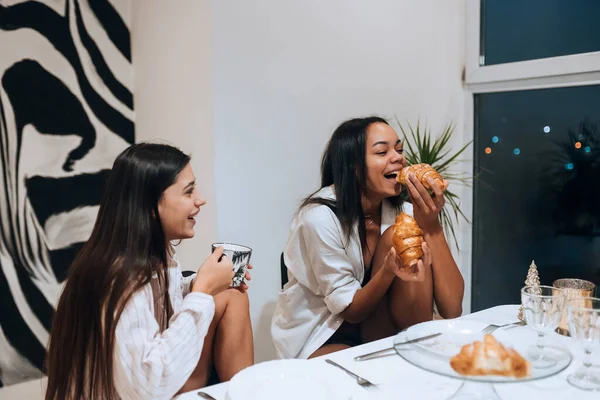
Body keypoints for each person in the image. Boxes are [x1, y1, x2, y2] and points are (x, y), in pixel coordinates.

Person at [44, 143, 254, 400]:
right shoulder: (120, 276)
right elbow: (147, 387)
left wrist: (205, 283)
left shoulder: (152, 257)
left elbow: (161, 304)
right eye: (188, 192)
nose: (201, 199)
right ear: (152, 206)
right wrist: (202, 292)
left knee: (231, 293)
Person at [271, 117, 464, 359]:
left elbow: (453, 308)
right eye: (382, 151)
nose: (398, 158)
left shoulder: (404, 213)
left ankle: (416, 358)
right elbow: (350, 311)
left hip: (382, 328)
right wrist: (388, 270)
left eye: (399, 149)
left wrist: (431, 224)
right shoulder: (319, 217)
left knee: (401, 234)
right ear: (354, 165)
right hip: (326, 329)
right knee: (396, 237)